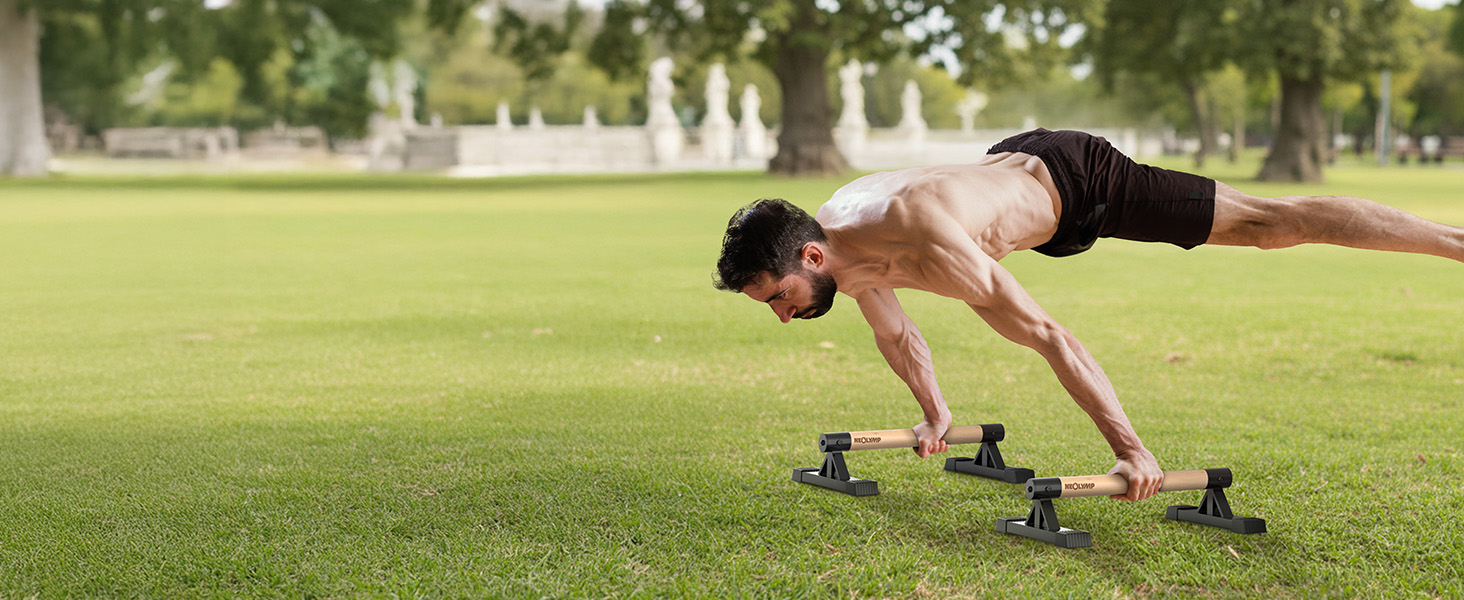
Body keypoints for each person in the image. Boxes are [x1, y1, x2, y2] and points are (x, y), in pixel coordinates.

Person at [713, 128, 1464, 501]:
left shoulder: (928, 241)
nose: (783, 317)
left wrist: (1132, 451)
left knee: (1269, 223)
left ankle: (1454, 243)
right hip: (1009, 173)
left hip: (1077, 180)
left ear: (810, 259)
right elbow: (897, 333)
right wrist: (935, 413)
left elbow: (1051, 338)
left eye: (778, 298)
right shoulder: (841, 238)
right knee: (1268, 223)